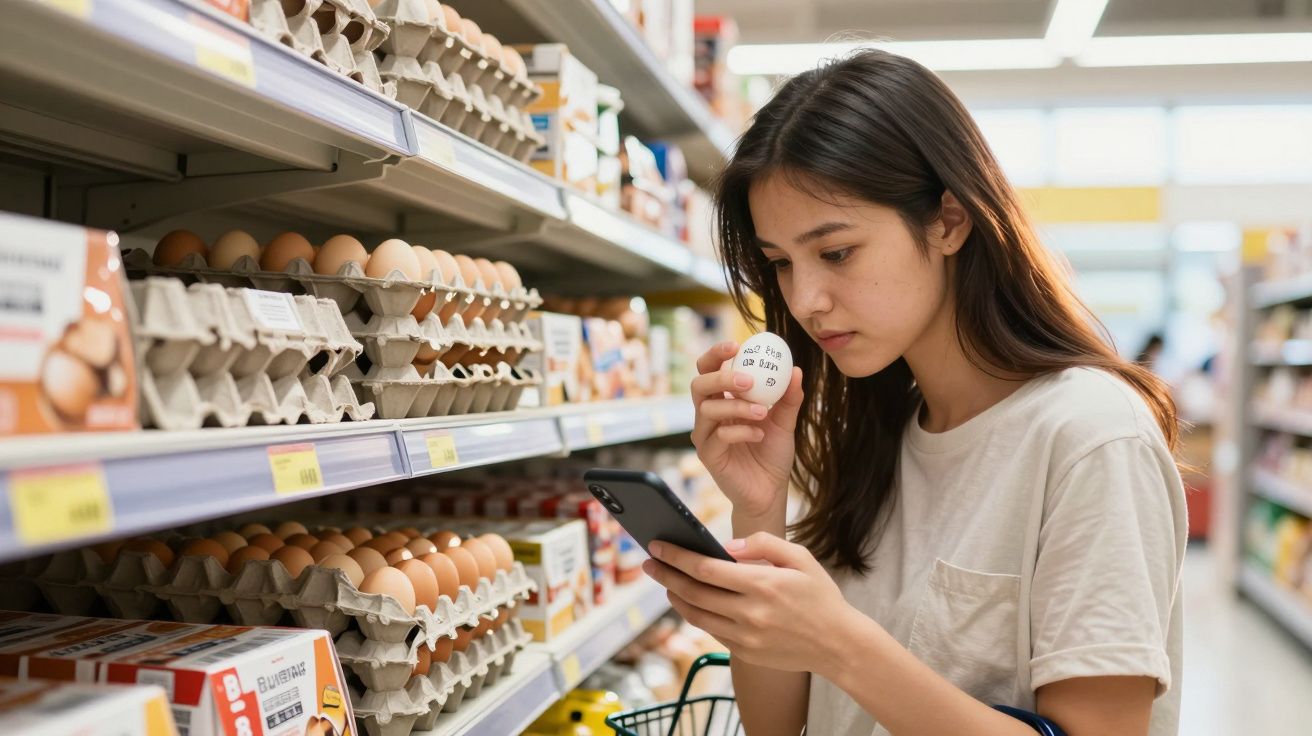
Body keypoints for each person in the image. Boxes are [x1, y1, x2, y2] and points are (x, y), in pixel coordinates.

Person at [641, 49, 1186, 736]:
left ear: (949, 221)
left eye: (836, 252)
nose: (805, 300)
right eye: (780, 264)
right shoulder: (877, 429)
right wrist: (758, 504)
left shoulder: (1089, 437)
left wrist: (839, 643)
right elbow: (775, 727)